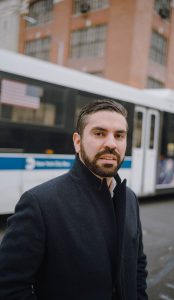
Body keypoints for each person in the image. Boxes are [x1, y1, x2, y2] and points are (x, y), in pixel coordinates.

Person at [0, 99, 148, 300]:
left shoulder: (129, 198)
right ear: (77, 142)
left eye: (119, 135)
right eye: (99, 133)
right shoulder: (39, 204)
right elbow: (10, 286)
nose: (111, 144)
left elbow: (138, 267)